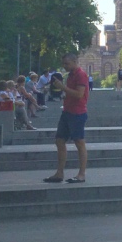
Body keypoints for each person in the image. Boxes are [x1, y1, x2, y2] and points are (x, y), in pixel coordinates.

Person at [43, 53, 89, 183]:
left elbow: (79, 94)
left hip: (77, 112)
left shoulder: (81, 75)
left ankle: (81, 174)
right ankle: (59, 173)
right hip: (67, 111)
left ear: (75, 61)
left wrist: (63, 88)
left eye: (67, 63)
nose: (64, 66)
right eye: (63, 63)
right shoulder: (70, 75)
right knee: (59, 140)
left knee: (79, 142)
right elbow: (71, 92)